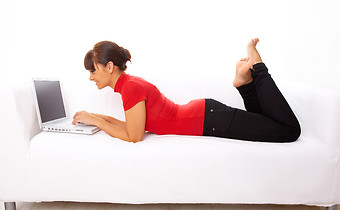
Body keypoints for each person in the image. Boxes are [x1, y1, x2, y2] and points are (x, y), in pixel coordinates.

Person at [72, 38, 301, 143]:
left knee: (289, 131)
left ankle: (258, 69)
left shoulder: (130, 88)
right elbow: (134, 127)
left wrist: (98, 121)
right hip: (206, 115)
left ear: (109, 67)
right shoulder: (129, 85)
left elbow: (134, 137)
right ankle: (245, 83)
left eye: (92, 71)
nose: (91, 77)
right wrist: (94, 118)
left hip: (208, 119)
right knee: (264, 121)